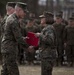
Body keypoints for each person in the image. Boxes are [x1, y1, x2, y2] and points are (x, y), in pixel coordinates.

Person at [1, 2, 33, 75]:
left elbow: (14, 36)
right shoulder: (13, 21)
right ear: (19, 10)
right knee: (14, 72)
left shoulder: (11, 18)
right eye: (24, 12)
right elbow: (18, 38)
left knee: (5, 72)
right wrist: (27, 47)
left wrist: (24, 38)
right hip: (10, 50)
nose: (25, 14)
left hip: (7, 49)